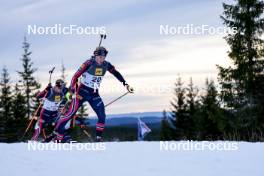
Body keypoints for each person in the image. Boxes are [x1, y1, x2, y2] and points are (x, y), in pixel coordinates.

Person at [54, 46, 134, 142]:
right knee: (70, 113)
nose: (102, 59)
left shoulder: (106, 65)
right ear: (95, 56)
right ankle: (57, 131)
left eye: (104, 57)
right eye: (100, 57)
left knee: (102, 116)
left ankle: (98, 138)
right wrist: (72, 91)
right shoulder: (88, 63)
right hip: (81, 92)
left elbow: (116, 73)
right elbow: (75, 76)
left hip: (94, 93)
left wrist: (125, 84)